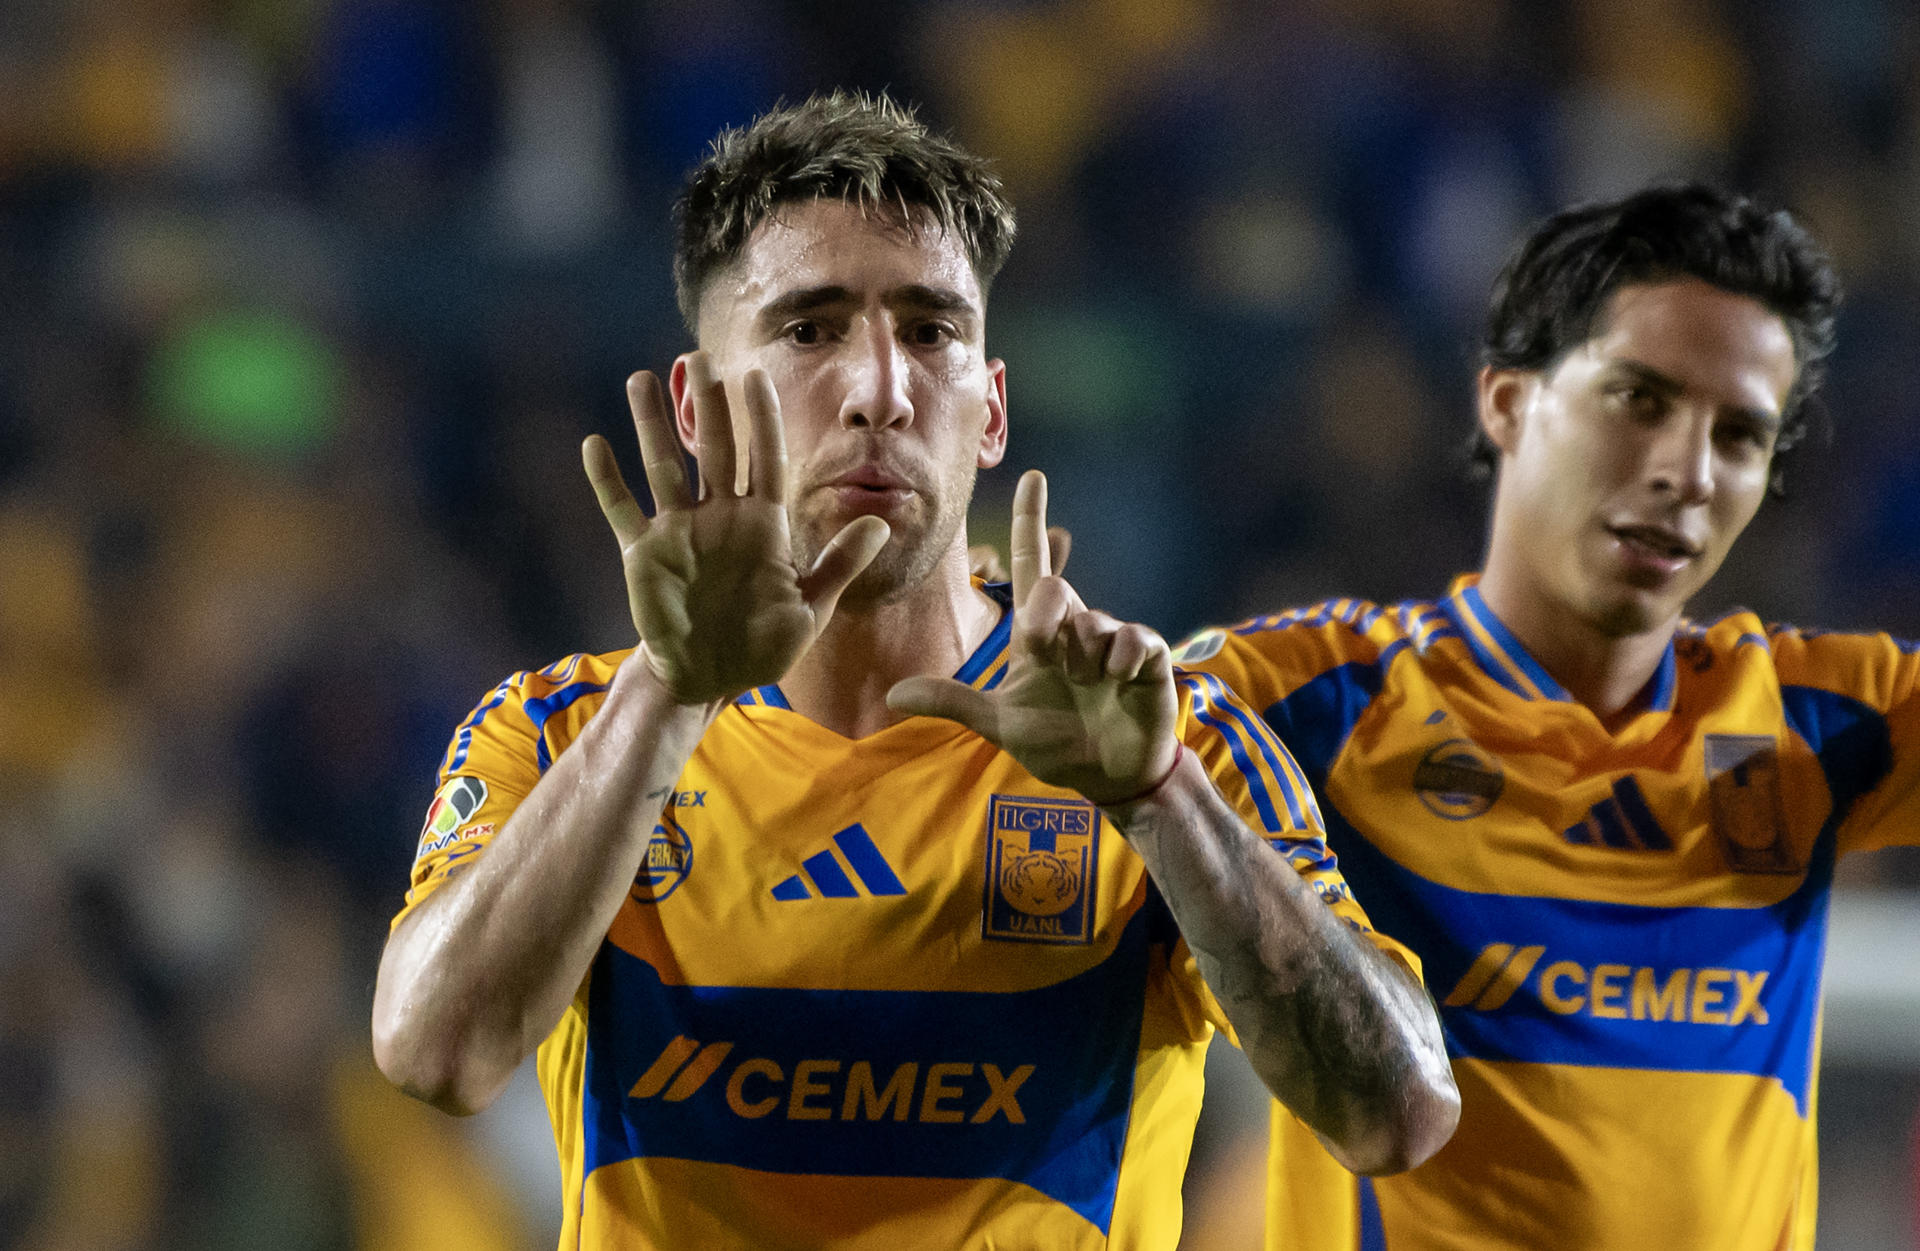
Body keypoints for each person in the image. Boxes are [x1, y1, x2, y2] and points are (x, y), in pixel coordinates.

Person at [369, 92, 1458, 1249]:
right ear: (694, 404)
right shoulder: (556, 732)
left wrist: (1160, 802)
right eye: (809, 329)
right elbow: (435, 1054)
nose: (880, 388)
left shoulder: (1165, 736)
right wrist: (671, 690)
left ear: (989, 411)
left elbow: (1397, 1116)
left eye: (932, 332)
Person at [1178, 182, 1911, 1250]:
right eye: (1640, 399)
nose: (1687, 473)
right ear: (1508, 402)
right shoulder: (1314, 699)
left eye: (1741, 436)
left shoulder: (1819, 721)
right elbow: (1091, 743)